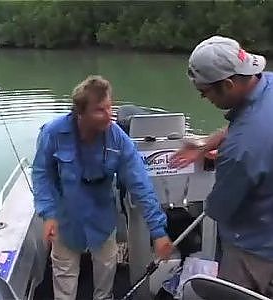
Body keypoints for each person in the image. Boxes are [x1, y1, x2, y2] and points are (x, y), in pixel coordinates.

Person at [32, 75, 173, 300]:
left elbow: (140, 185)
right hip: (66, 219)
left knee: (106, 270)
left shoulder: (118, 139)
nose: (110, 115)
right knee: (64, 276)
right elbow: (41, 174)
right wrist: (48, 214)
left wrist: (158, 231)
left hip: (103, 220)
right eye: (100, 110)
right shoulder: (53, 133)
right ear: (81, 113)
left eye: (110, 107)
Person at [170, 36, 273, 297]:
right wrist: (205, 145)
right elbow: (247, 123)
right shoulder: (268, 83)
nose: (204, 99)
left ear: (227, 85)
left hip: (255, 249)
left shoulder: (240, 149)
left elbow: (220, 208)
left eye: (204, 92)